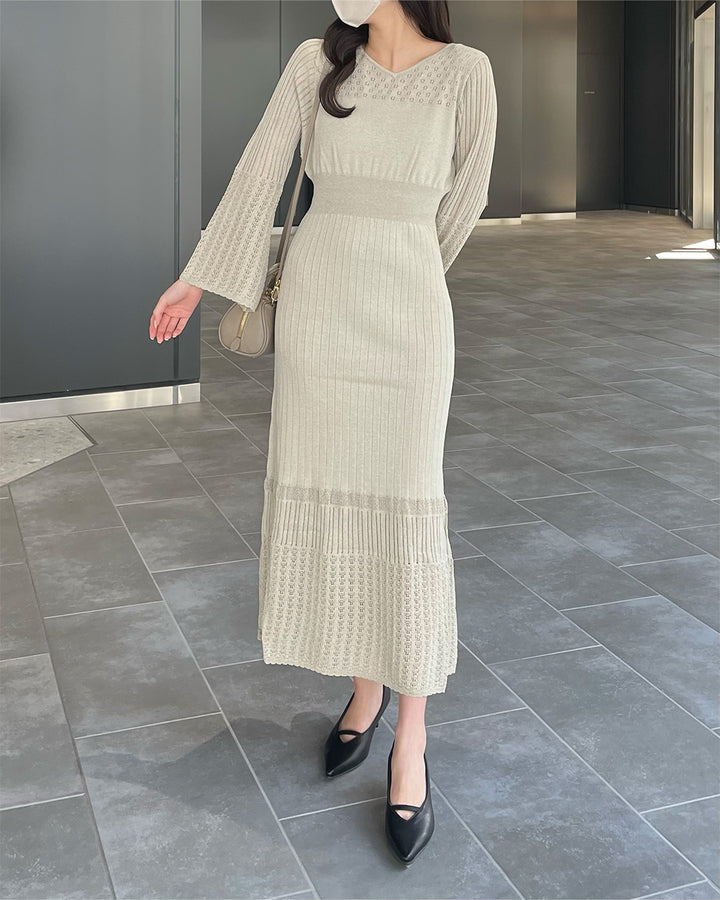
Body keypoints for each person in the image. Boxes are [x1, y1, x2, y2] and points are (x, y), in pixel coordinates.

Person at [149, 0, 497, 865]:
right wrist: (198, 279)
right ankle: (364, 692)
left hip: (410, 319)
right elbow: (259, 170)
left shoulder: (467, 74)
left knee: (405, 507)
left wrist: (406, 270)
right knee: (340, 491)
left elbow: (466, 201)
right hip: (320, 310)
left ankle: (411, 739)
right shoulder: (317, 62)